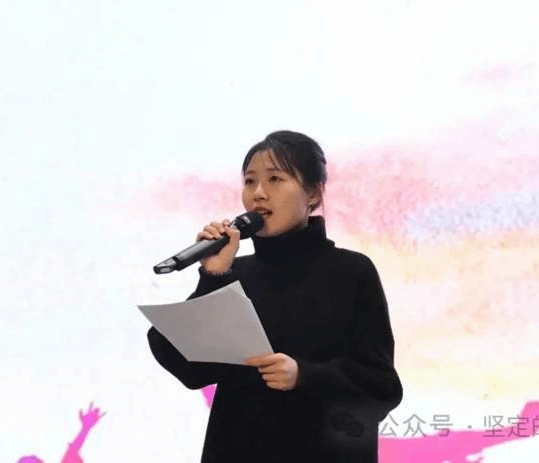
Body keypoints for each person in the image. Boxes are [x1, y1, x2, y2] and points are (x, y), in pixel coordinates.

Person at [147, 130, 403, 462]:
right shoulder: (233, 273)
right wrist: (212, 278)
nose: (258, 193)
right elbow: (188, 367)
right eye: (249, 181)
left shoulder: (351, 271)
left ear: (313, 194)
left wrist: (304, 375)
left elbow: (381, 386)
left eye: (275, 179)